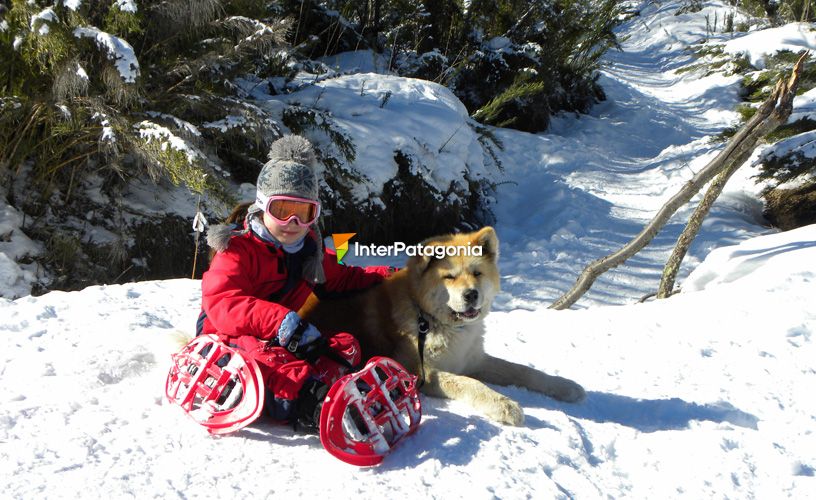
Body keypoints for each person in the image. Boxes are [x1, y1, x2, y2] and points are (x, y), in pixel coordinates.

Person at [197, 134, 392, 431]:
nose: (293, 224)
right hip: (225, 333)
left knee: (338, 346)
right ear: (263, 207)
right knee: (269, 363)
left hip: (282, 332)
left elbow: (345, 278)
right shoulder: (238, 249)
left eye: (303, 213)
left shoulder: (308, 252)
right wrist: (281, 322)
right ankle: (312, 404)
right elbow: (224, 302)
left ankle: (344, 388)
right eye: (281, 211)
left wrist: (389, 274)